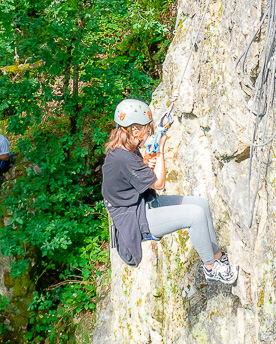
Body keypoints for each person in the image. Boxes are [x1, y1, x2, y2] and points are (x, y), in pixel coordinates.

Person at [101, 98, 236, 284]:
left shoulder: (124, 148)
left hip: (141, 204)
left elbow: (134, 175)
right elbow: (159, 183)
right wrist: (161, 150)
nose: (149, 134)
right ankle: (211, 268)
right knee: (195, 215)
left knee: (201, 204)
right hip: (135, 219)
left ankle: (218, 257)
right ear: (134, 131)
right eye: (147, 131)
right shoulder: (122, 158)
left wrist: (147, 162)